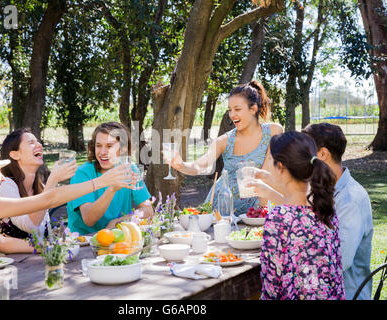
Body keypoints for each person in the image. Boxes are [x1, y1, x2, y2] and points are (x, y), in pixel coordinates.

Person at [0, 146, 134, 261]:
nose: (3, 179)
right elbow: (47, 200)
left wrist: (46, 247)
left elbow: (1, 242)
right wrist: (101, 182)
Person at [247, 131, 345, 300]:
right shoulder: (326, 207)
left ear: (281, 167)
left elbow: (272, 286)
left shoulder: (279, 218)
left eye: (270, 159)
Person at [164, 81, 283, 215]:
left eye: (237, 109)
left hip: (258, 208)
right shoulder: (224, 141)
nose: (232, 115)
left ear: (253, 108)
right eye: (230, 110)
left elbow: (268, 168)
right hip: (223, 209)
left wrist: (260, 211)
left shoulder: (274, 131)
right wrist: (181, 165)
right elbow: (201, 165)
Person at [302, 123, 373, 300]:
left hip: (346, 294)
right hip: (317, 288)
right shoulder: (319, 188)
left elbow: (340, 260)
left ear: (322, 154)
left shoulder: (352, 199)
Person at [0, 128, 77, 254]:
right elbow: (30, 225)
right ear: (15, 154)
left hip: (37, 261)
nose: (39, 145)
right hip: (12, 265)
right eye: (31, 143)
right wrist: (53, 180)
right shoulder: (6, 185)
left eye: (38, 141)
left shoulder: (39, 186)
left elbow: (43, 233)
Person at [67, 122, 154, 235]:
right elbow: (89, 219)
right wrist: (112, 189)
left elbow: (148, 210)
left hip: (118, 238)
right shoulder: (82, 174)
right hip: (84, 243)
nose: (102, 152)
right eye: (98, 146)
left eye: (109, 146)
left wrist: (119, 222)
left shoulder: (130, 169)